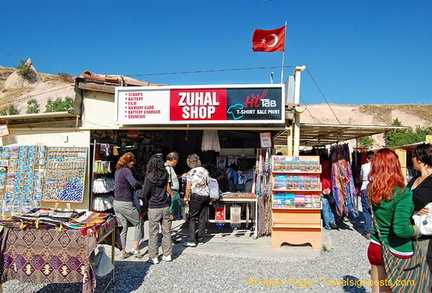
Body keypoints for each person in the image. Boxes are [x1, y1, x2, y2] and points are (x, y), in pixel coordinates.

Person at [367, 148, 420, 293]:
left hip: (376, 244)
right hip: (397, 249)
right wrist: (416, 230)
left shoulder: (371, 189)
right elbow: (401, 229)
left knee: (377, 289)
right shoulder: (403, 193)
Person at [141, 154, 172, 264]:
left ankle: (153, 257)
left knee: (153, 233)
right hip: (165, 205)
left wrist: (136, 192)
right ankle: (167, 254)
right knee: (166, 231)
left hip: (154, 206)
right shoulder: (165, 174)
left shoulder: (150, 176)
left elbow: (144, 193)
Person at [113, 152, 143, 259]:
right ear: (128, 162)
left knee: (123, 226)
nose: (132, 165)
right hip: (125, 202)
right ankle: (136, 248)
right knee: (138, 222)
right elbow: (133, 183)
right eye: (132, 163)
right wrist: (141, 185)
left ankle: (123, 251)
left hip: (116, 202)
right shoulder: (126, 171)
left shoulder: (117, 171)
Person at [408, 143, 432, 273]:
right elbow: (403, 199)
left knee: (424, 268)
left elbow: (417, 202)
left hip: (426, 234)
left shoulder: (430, 180)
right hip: (412, 230)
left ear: (419, 159)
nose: (412, 159)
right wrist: (413, 208)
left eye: (413, 156)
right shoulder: (415, 179)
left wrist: (412, 207)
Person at [183, 154, 211, 247]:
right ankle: (201, 238)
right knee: (202, 217)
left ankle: (191, 240)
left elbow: (188, 188)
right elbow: (208, 182)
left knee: (192, 217)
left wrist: (186, 198)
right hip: (206, 195)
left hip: (196, 195)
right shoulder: (205, 170)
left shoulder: (191, 172)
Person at [320, 153, 337, 230]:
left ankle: (327, 225)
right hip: (331, 189)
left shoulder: (320, 166)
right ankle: (332, 220)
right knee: (332, 206)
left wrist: (323, 188)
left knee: (325, 207)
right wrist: (330, 188)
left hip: (322, 188)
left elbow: (319, 178)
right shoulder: (332, 166)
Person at [360, 151, 374, 239]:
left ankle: (367, 231)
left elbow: (361, 177)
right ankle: (375, 229)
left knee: (366, 210)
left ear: (367, 159)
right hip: (375, 188)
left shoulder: (363, 166)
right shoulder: (378, 166)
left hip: (365, 187)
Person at [165, 152, 181, 221]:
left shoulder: (170, 168)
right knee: (170, 213)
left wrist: (180, 177)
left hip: (173, 192)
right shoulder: (167, 168)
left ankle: (168, 229)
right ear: (173, 159)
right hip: (172, 192)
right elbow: (167, 182)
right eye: (176, 160)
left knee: (172, 213)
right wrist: (172, 194)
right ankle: (168, 230)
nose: (176, 163)